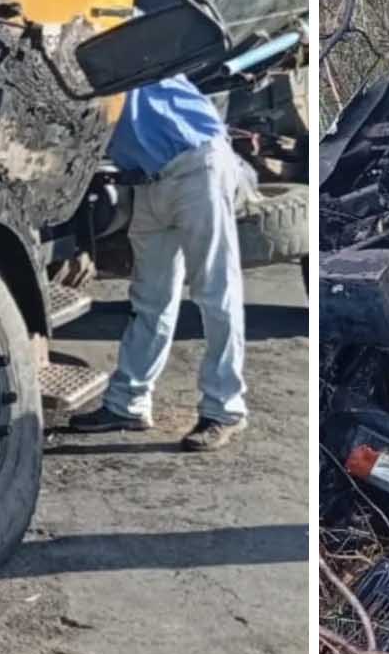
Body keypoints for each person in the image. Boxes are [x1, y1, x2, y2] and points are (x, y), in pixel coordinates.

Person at [70, 73, 253, 449]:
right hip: (147, 180)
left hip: (196, 163)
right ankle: (127, 404)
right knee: (150, 297)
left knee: (215, 290)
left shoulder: (118, 45)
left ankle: (224, 410)